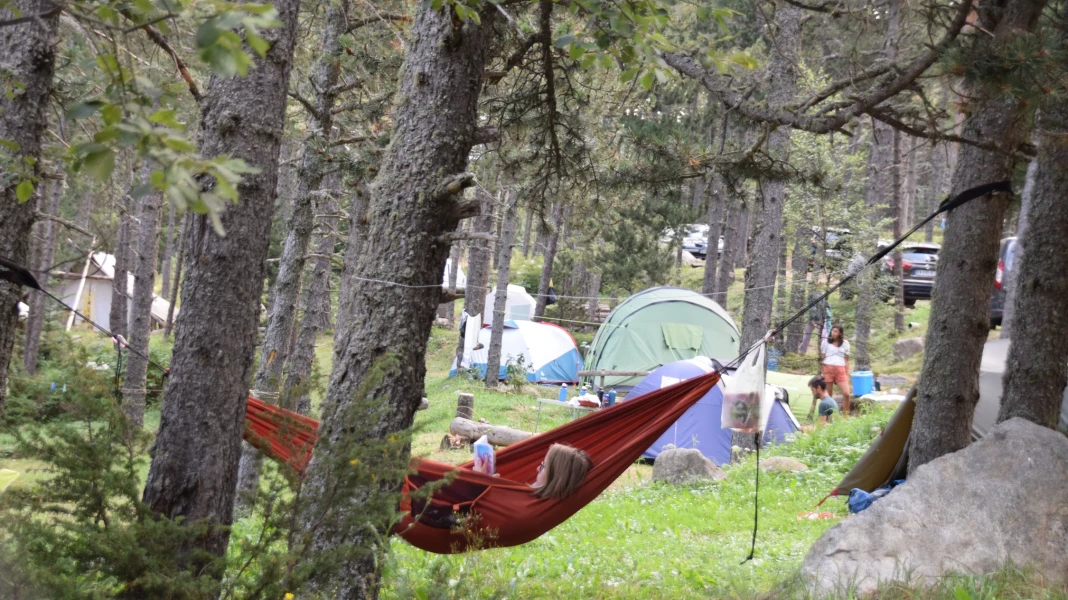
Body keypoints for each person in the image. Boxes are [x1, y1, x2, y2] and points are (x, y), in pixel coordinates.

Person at [820, 324, 851, 414]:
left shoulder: (845, 343)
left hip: (840, 369)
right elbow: (822, 356)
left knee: (846, 394)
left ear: (840, 333)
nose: (833, 333)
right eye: (832, 331)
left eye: (836, 331)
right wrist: (822, 370)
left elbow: (847, 360)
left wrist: (846, 373)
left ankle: (845, 416)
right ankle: (830, 417)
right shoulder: (826, 342)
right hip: (828, 368)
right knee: (828, 395)